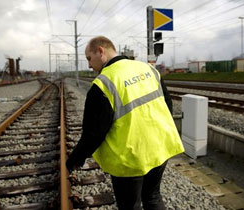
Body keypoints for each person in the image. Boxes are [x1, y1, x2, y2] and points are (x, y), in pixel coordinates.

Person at [66, 36, 184, 210]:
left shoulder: (103, 83)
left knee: (130, 205)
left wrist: (75, 159)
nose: (89, 65)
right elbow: (167, 104)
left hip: (130, 157)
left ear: (100, 51)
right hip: (160, 147)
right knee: (152, 197)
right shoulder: (148, 69)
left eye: (89, 58)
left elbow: (94, 132)